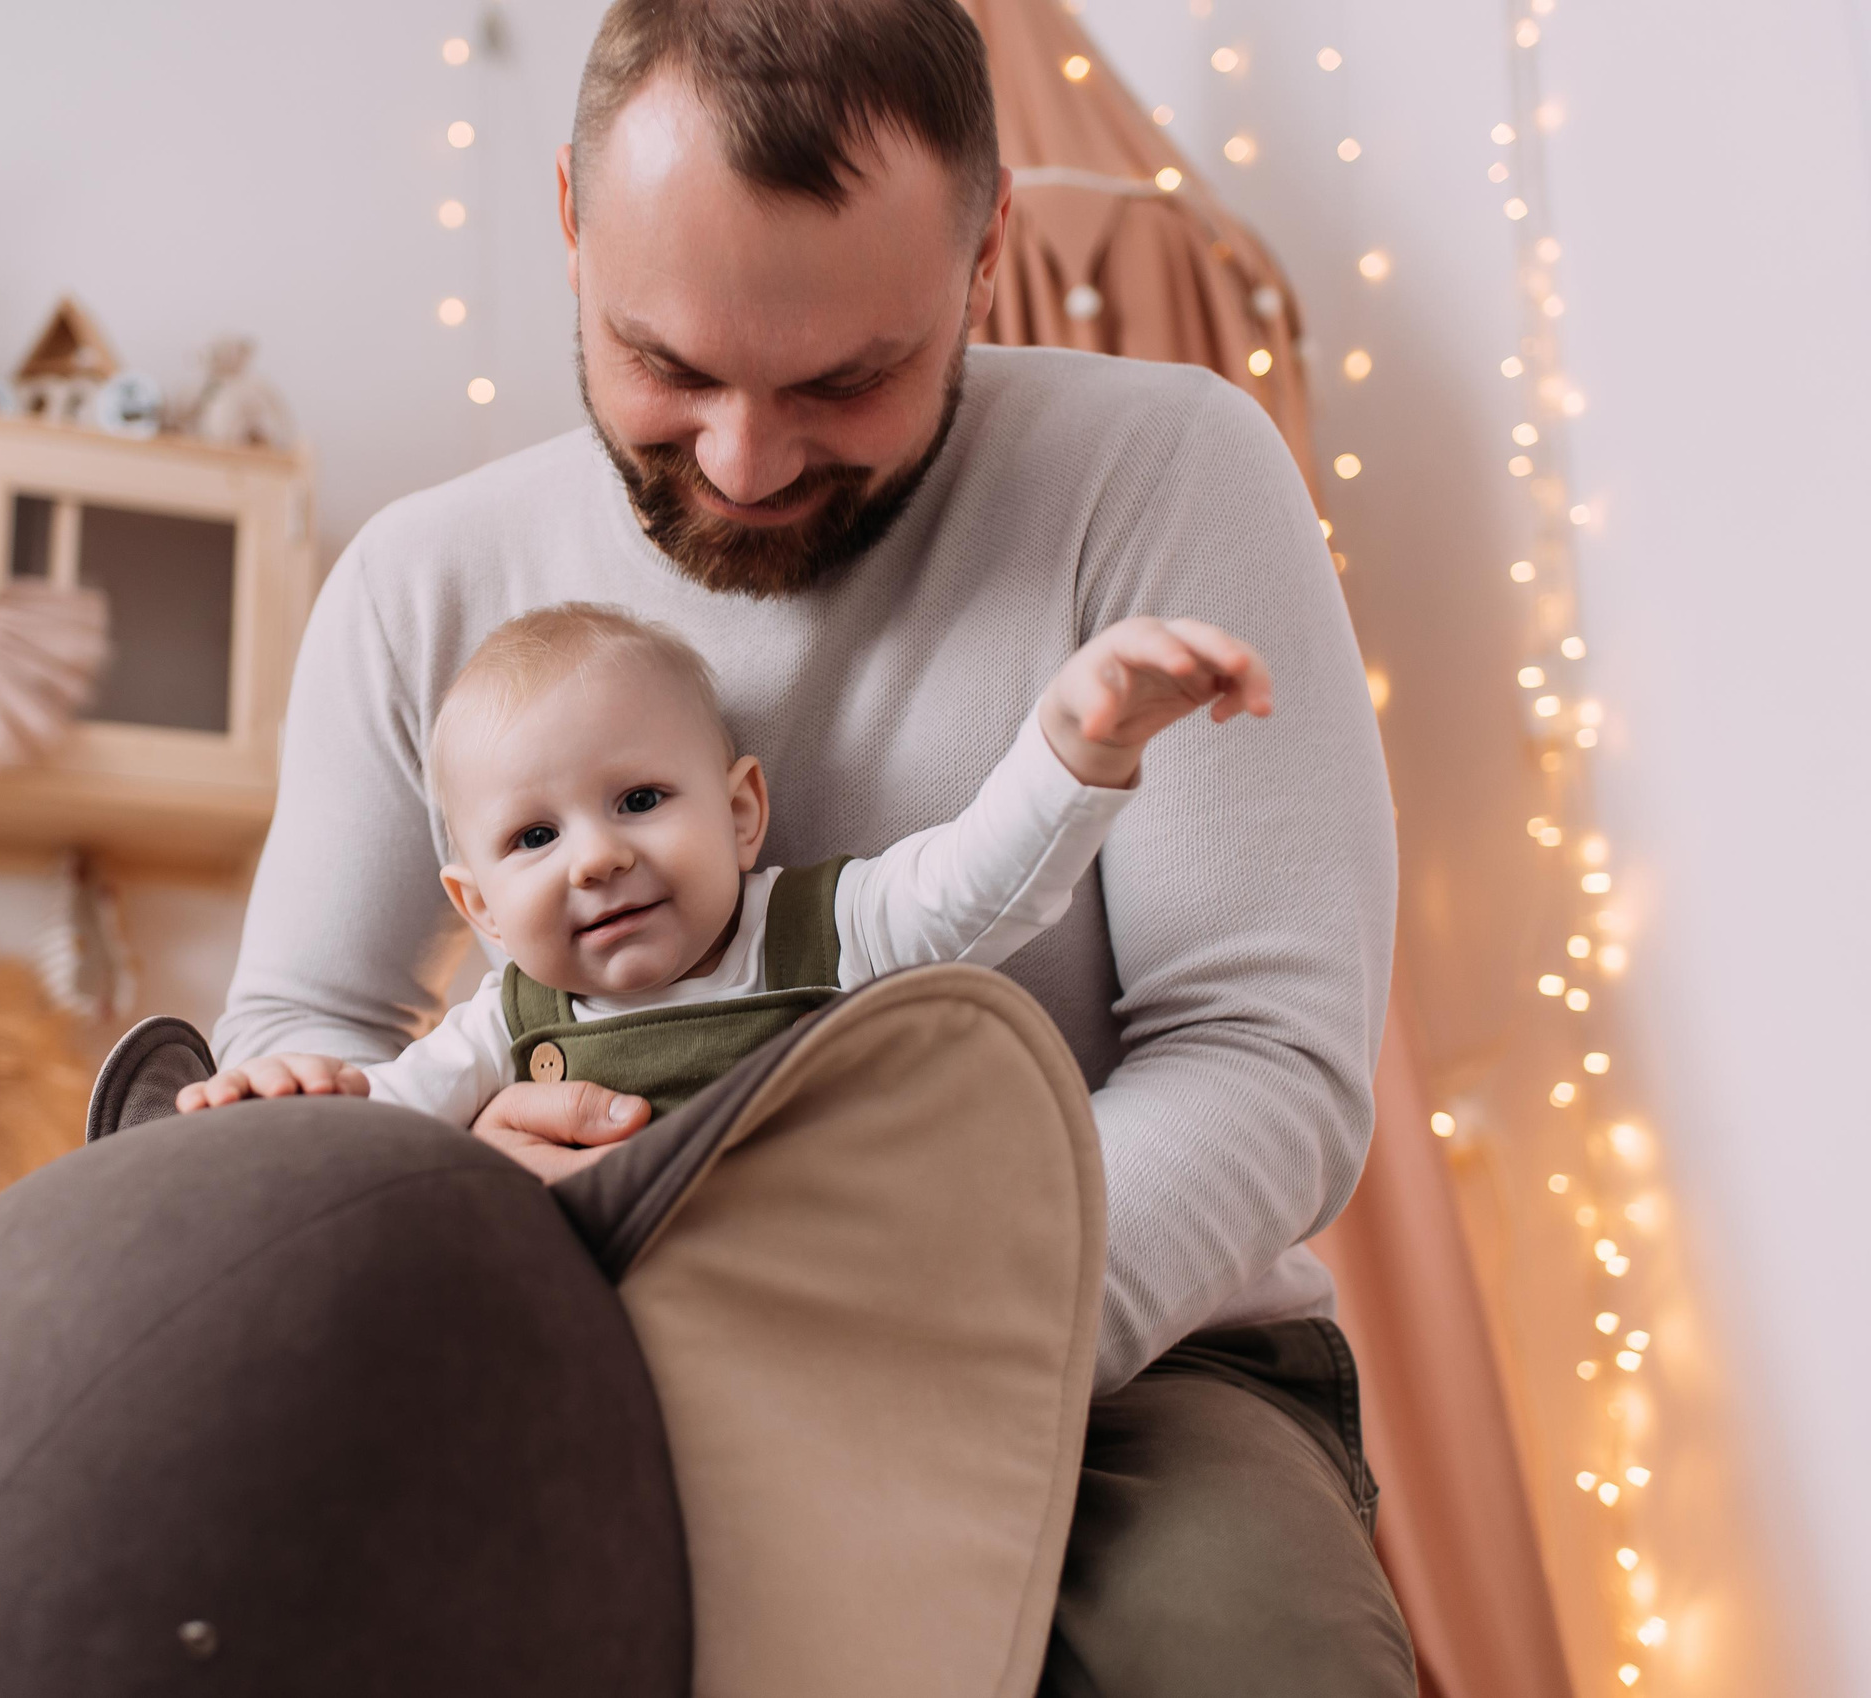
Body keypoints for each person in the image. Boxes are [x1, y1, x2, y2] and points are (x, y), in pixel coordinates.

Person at [214, 0, 1410, 1688]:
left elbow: (1261, 1060)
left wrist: (880, 1341)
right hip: (574, 1342)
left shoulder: (1163, 469)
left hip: (1122, 1371)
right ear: (570, 218)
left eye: (845, 379)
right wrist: (483, 1203)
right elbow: (300, 1045)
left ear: (987, 253)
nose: (745, 459)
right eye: (668, 367)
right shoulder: (416, 583)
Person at [180, 601, 1269, 1130]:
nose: (598, 858)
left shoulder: (819, 928)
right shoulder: (500, 1029)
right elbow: (378, 1137)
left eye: (640, 801)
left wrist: (1074, 743)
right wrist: (289, 1095)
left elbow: (977, 884)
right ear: (482, 911)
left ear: (742, 814)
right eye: (533, 839)